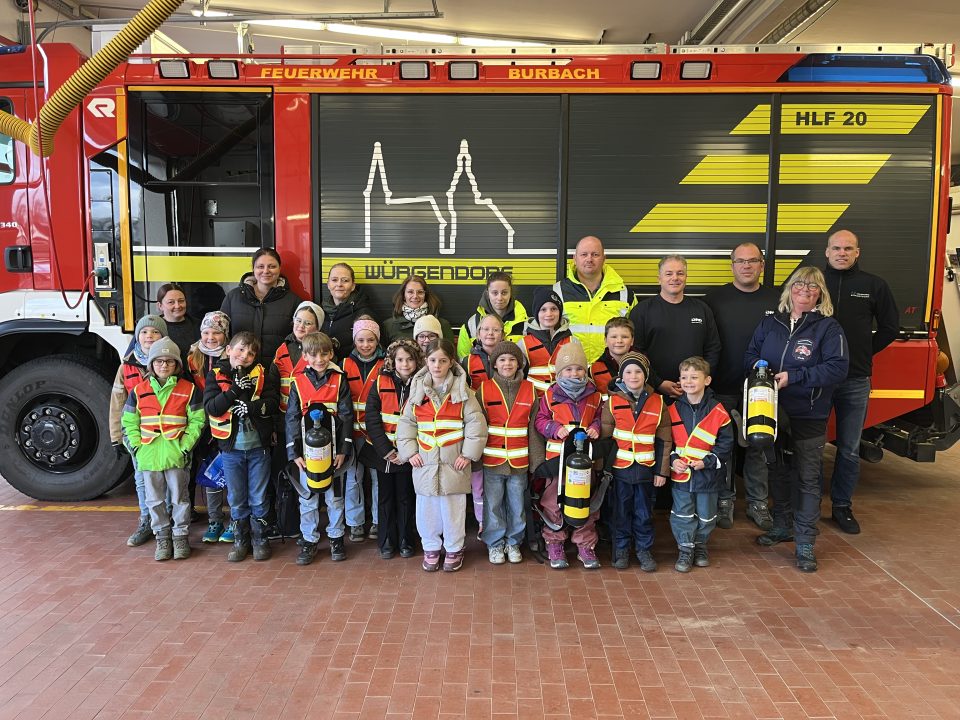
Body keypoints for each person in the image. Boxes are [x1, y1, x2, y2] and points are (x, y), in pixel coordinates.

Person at [746, 267, 849, 572]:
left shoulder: (828, 328)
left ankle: (805, 542)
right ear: (789, 289)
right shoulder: (771, 323)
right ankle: (782, 526)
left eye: (812, 286)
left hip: (809, 413)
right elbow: (749, 354)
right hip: (771, 410)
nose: (804, 290)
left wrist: (795, 377)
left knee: (807, 477)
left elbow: (837, 368)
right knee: (777, 470)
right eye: (799, 284)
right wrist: (759, 367)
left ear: (821, 294)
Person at [823, 229, 899, 534]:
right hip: (817, 379)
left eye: (848, 248)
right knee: (808, 446)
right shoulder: (814, 282)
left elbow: (890, 327)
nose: (842, 253)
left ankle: (842, 507)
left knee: (849, 448)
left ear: (857, 252)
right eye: (836, 248)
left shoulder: (874, 285)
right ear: (827, 252)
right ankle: (802, 506)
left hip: (854, 379)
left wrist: (864, 352)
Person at [704, 243, 779, 531]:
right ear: (732, 265)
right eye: (740, 261)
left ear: (762, 265)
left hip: (762, 390)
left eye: (752, 261)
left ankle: (758, 503)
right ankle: (724, 500)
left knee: (759, 447)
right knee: (724, 447)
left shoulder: (777, 299)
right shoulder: (714, 299)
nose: (746, 266)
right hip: (722, 387)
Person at [396, 338, 487, 573]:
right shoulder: (417, 392)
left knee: (453, 509)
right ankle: (431, 547)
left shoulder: (464, 393)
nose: (437, 365)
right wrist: (410, 452)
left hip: (454, 464)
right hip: (424, 464)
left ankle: (455, 548)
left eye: (443, 361)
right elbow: (406, 425)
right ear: (426, 361)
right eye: (433, 360)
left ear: (451, 362)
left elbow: (476, 425)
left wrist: (468, 455)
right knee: (426, 510)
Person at [121, 337, 205, 561]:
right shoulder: (138, 391)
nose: (164, 365)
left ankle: (180, 537)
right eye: (159, 361)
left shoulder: (188, 390)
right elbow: (128, 422)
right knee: (154, 501)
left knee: (180, 499)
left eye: (169, 361)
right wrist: (137, 448)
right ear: (151, 364)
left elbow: (197, 421)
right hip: (148, 456)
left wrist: (185, 447)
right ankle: (162, 538)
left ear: (177, 365)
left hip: (176, 455)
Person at [203, 331, 279, 563]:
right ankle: (240, 540)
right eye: (240, 349)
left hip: (258, 449)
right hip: (231, 450)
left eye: (251, 353)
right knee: (236, 497)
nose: (245, 356)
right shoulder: (216, 375)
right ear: (229, 350)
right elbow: (212, 408)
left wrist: (252, 407)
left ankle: (260, 538)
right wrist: (235, 390)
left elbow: (273, 403)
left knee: (259, 496)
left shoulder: (262, 374)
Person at [286, 332, 355, 564]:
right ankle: (309, 539)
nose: (319, 359)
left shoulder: (339, 380)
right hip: (307, 455)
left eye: (324, 354)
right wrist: (294, 453)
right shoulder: (298, 382)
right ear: (305, 356)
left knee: (335, 497)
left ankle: (336, 537)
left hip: (334, 453)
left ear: (331, 354)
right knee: (307, 497)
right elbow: (292, 419)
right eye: (313, 355)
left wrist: (343, 450)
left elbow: (347, 416)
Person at [599, 351, 671, 572]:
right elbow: (605, 440)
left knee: (644, 513)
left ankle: (643, 550)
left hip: (646, 471)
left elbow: (665, 441)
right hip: (620, 471)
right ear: (621, 376)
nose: (633, 376)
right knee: (620, 512)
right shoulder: (612, 402)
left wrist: (661, 472)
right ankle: (621, 550)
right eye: (628, 372)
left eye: (638, 371)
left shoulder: (659, 403)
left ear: (646, 375)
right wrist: (603, 471)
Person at [534, 341, 603, 570]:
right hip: (557, 461)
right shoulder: (549, 395)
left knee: (585, 502)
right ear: (559, 372)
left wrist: (596, 427)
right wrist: (554, 428)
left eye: (579, 368)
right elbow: (540, 420)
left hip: (585, 462)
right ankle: (554, 543)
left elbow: (599, 417)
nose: (574, 373)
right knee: (553, 502)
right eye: (568, 369)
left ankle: (585, 545)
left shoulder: (594, 395)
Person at [477, 341, 542, 565]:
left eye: (512, 359)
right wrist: (476, 459)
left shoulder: (530, 389)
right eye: (502, 360)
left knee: (517, 506)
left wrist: (536, 461)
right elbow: (478, 428)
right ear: (494, 364)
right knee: (493, 506)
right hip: (492, 461)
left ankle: (514, 542)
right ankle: (495, 544)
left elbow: (533, 429)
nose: (507, 364)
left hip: (519, 461)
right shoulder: (484, 389)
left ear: (519, 364)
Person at [668, 357, 734, 573]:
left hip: (708, 476)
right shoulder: (673, 409)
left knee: (707, 514)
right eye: (684, 377)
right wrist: (673, 460)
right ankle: (685, 549)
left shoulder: (718, 410)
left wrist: (707, 462)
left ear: (707, 380)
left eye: (694, 377)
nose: (688, 381)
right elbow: (666, 442)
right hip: (681, 476)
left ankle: (701, 545)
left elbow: (726, 443)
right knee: (682, 514)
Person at [110, 314, 168, 548]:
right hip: (139, 436)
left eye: (155, 332)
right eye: (144, 332)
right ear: (137, 337)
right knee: (142, 480)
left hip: (167, 435)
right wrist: (117, 437)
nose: (149, 336)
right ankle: (147, 521)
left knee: (169, 479)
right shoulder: (126, 367)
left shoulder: (170, 362)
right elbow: (117, 403)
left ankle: (167, 522)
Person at [630, 255, 721, 402]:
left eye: (680, 273)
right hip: (653, 394)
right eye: (669, 273)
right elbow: (636, 352)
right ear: (659, 278)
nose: (675, 278)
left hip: (695, 394)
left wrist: (697, 381)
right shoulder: (642, 311)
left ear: (686, 277)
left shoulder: (702, 309)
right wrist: (658, 383)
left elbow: (713, 348)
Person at [363, 339, 423, 560]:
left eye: (410, 359)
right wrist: (387, 451)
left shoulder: (423, 383)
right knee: (385, 497)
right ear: (392, 361)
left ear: (417, 361)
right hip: (385, 454)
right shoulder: (380, 382)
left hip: (410, 453)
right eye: (400, 360)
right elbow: (371, 418)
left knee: (406, 497)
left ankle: (406, 539)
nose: (405, 364)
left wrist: (408, 452)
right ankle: (387, 540)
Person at [186, 311, 232, 544]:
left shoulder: (233, 355)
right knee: (210, 474)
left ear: (226, 335)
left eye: (216, 333)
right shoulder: (193, 357)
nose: (210, 337)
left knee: (231, 474)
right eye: (206, 332)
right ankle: (215, 520)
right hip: (203, 424)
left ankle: (235, 521)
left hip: (226, 422)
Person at [553, 236, 635, 364]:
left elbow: (635, 337)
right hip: (572, 369)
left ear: (604, 258)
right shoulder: (558, 291)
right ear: (574, 258)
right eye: (584, 254)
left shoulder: (624, 293)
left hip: (612, 370)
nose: (589, 259)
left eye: (595, 254)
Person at [342, 317, 385, 542]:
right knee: (353, 478)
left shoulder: (386, 364)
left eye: (371, 340)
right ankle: (355, 522)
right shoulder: (344, 364)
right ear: (354, 341)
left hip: (377, 432)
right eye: (360, 340)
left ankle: (378, 520)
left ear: (377, 340)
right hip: (352, 432)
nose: (366, 345)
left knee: (377, 478)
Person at [220, 248, 303, 364]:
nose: (266, 271)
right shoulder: (233, 297)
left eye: (272, 266)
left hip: (277, 370)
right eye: (260, 266)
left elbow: (299, 341)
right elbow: (221, 335)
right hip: (239, 370)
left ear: (280, 268)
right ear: (253, 269)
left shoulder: (293, 301)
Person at [456, 271, 529, 358]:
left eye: (504, 293)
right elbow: (465, 361)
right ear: (487, 293)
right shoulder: (471, 325)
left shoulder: (526, 324)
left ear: (510, 293)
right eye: (495, 293)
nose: (499, 298)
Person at [270, 301, 325, 415]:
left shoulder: (323, 352)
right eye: (298, 320)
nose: (301, 326)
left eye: (308, 323)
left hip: (311, 416)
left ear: (317, 328)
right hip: (283, 415)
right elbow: (272, 386)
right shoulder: (282, 350)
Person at [520, 287, 573, 395]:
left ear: (560, 312)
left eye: (554, 309)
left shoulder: (573, 342)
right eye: (543, 309)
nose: (549, 314)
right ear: (536, 313)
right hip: (534, 402)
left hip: (564, 401)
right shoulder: (523, 344)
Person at [321, 262, 377, 361]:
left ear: (353, 286)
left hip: (351, 367)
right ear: (328, 284)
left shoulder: (364, 313)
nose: (339, 284)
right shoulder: (319, 312)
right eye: (334, 280)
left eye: (345, 280)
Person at [382, 274, 454, 345]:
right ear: (403, 295)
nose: (415, 296)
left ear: (425, 296)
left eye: (420, 292)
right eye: (410, 292)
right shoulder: (389, 326)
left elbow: (449, 351)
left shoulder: (442, 324)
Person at [590, 317, 637, 401]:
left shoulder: (643, 367)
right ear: (605, 340)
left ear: (632, 341)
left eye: (625, 337)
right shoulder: (593, 370)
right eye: (614, 337)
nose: (619, 341)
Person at [156, 282, 200, 371]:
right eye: (171, 302)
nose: (177, 306)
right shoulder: (152, 327)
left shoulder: (199, 326)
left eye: (181, 301)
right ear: (160, 306)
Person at [462, 313, 505, 391]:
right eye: (486, 329)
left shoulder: (510, 359)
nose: (490, 333)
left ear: (502, 335)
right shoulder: (467, 361)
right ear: (478, 334)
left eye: (495, 330)